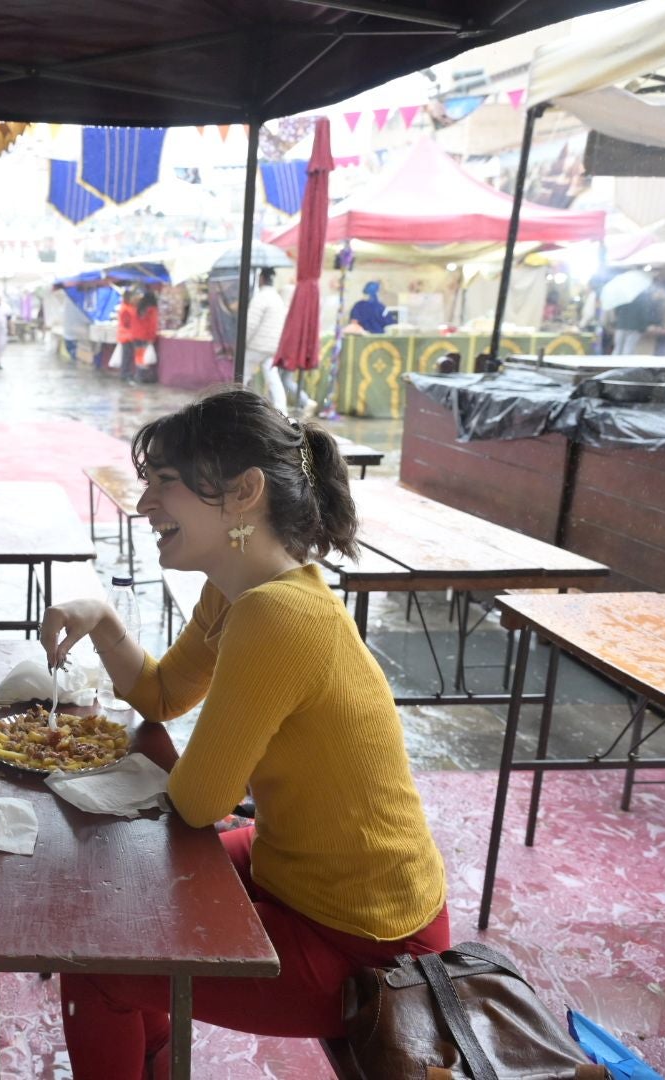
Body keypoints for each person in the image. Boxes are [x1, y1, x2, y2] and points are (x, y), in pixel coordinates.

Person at [40, 388, 449, 1079]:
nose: (144, 505)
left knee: (95, 960)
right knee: (124, 881)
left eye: (165, 482)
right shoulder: (236, 593)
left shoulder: (275, 615)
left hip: (366, 940)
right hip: (293, 866)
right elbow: (161, 695)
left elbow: (200, 802)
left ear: (243, 494)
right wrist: (103, 620)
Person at [243, 268, 290, 413]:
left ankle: (236, 402)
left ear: (261, 279)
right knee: (273, 377)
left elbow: (250, 324)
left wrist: (243, 343)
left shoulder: (260, 297)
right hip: (272, 347)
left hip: (257, 346)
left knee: (242, 374)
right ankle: (282, 409)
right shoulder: (277, 298)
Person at [133, 287, 161, 383]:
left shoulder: (138, 308)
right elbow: (152, 325)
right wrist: (151, 337)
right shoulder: (152, 310)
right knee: (144, 357)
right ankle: (143, 377)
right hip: (145, 336)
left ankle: (139, 375)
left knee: (139, 356)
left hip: (137, 335)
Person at [116, 287, 141, 383]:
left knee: (129, 356)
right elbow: (127, 323)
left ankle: (126, 373)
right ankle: (125, 373)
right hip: (126, 336)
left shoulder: (130, 307)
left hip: (130, 335)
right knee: (127, 356)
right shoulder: (125, 309)